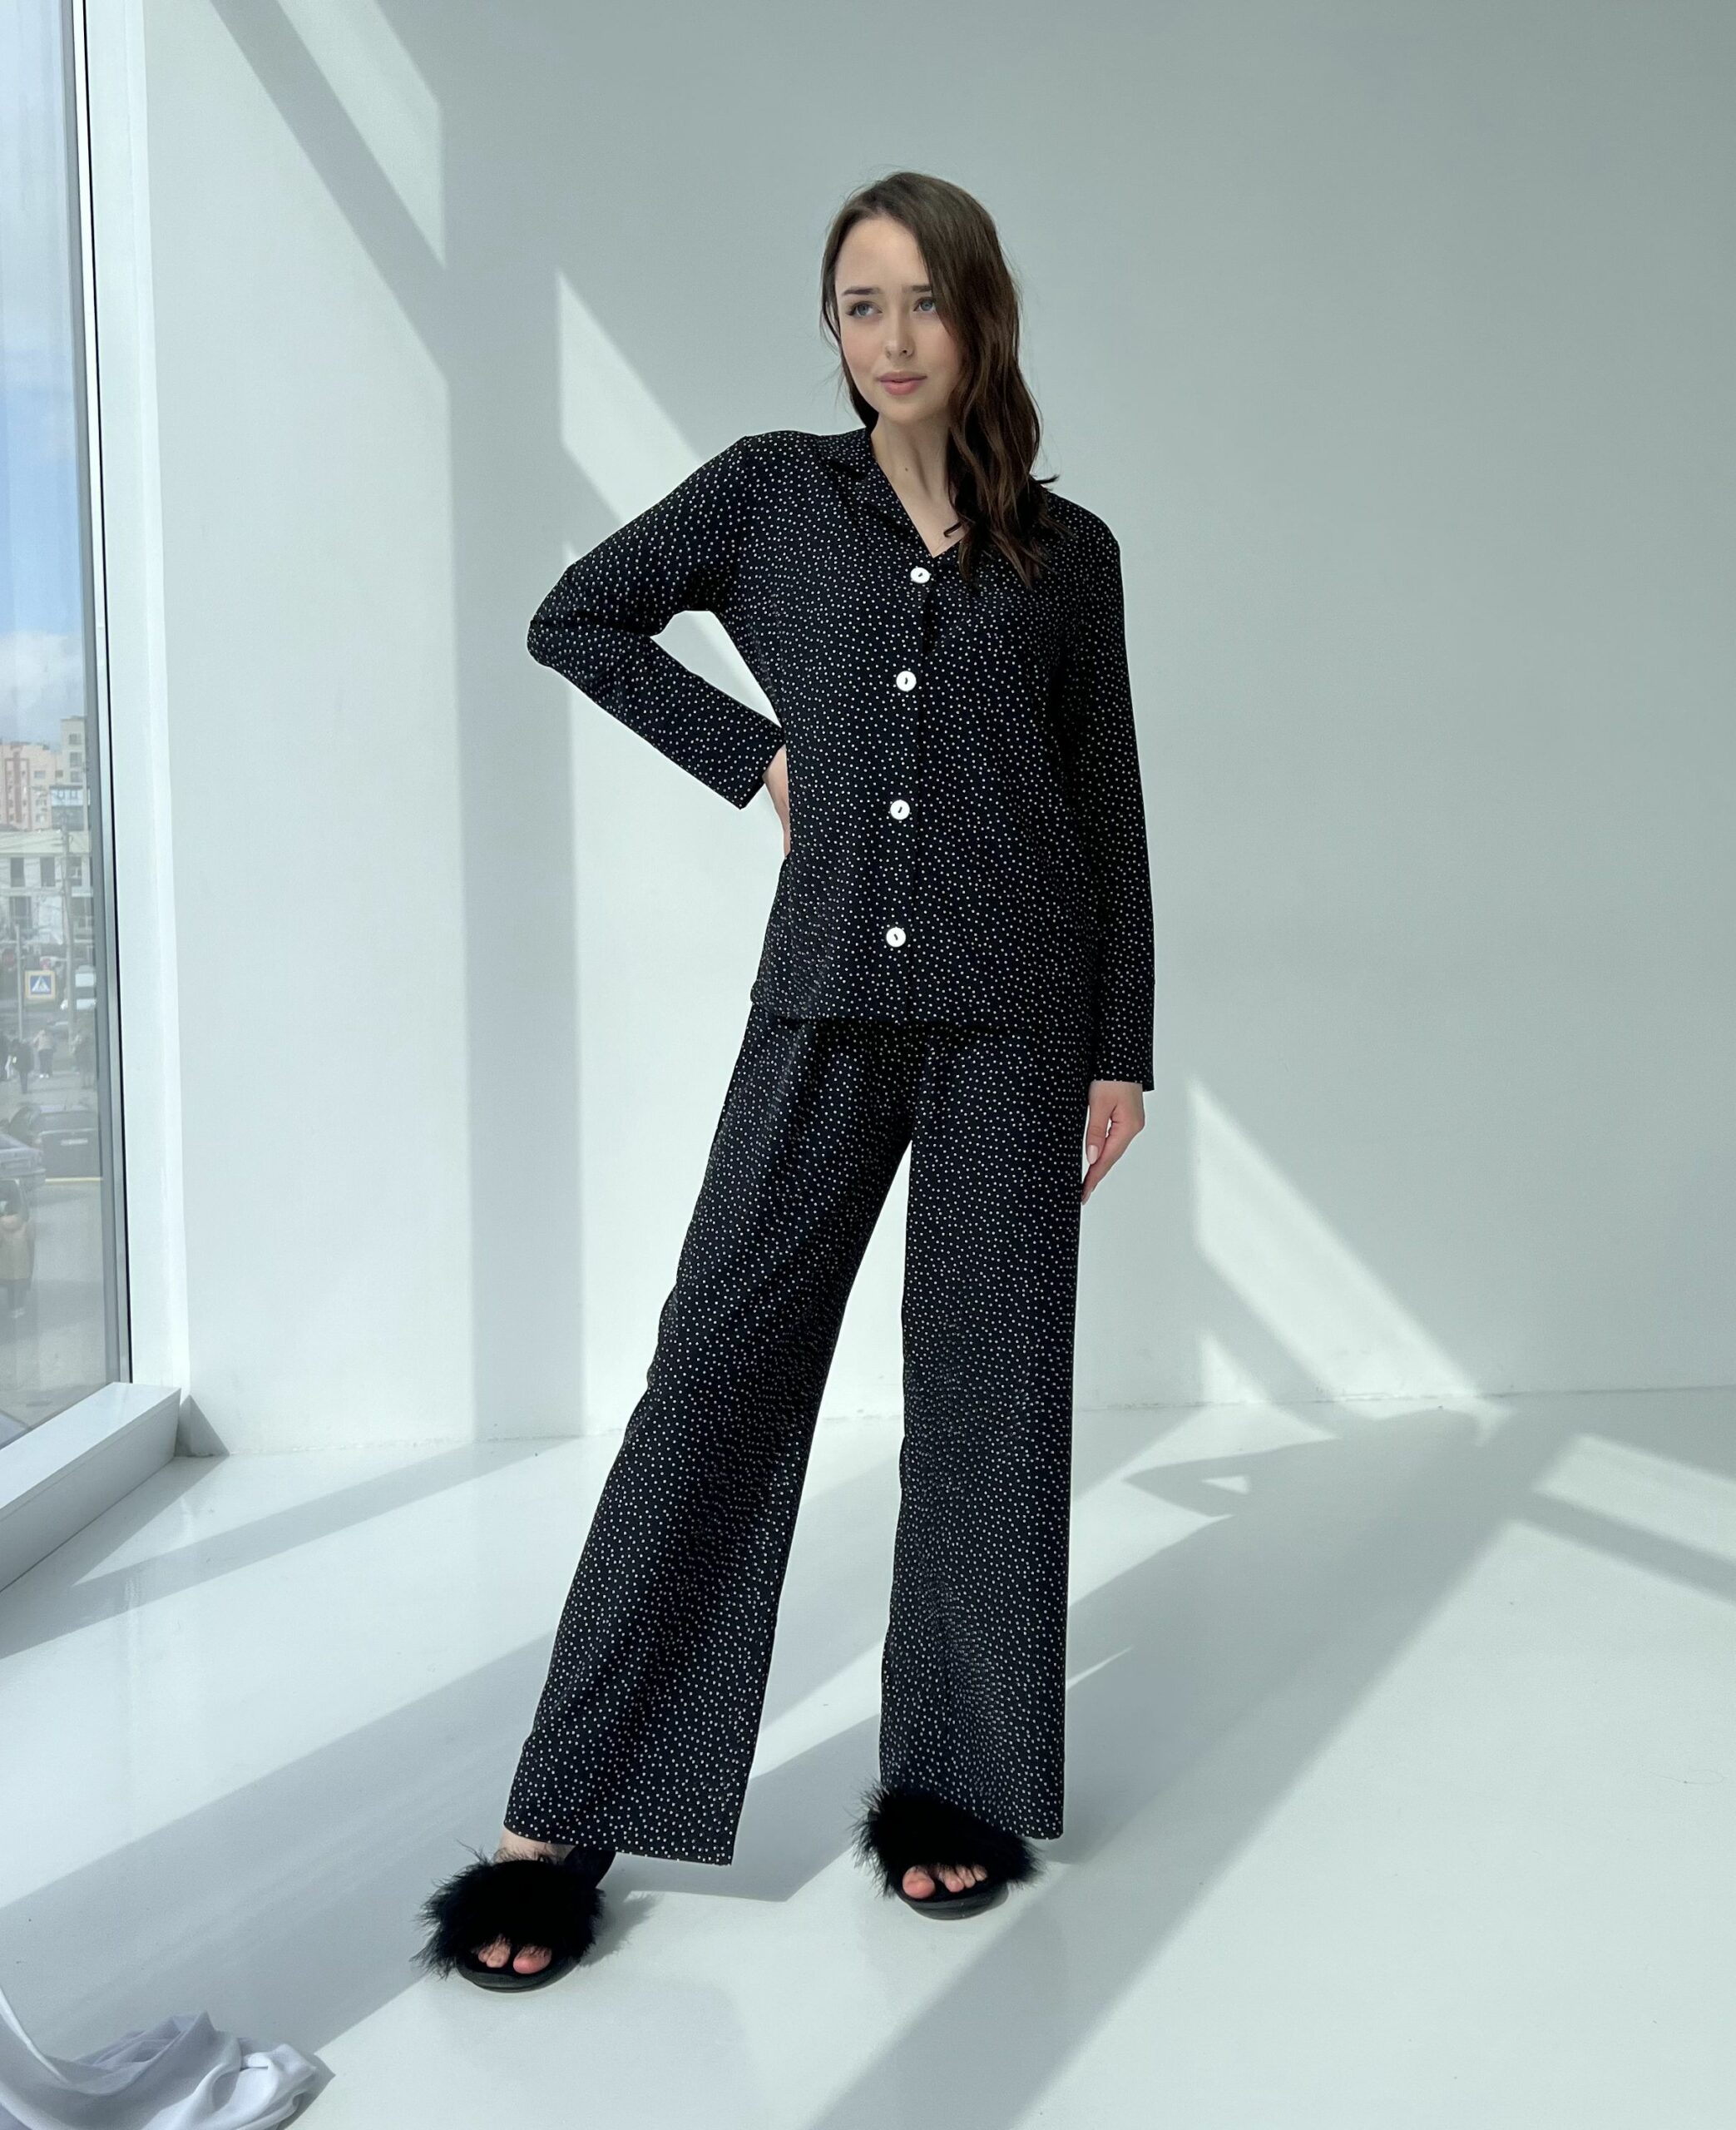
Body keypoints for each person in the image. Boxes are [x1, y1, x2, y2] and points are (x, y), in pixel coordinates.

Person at [416, 169, 1155, 1992]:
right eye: (858, 304)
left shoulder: (1070, 556)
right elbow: (578, 616)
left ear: (981, 316)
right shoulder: (767, 494)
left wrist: (1122, 1047)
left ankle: (954, 1782)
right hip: (823, 1000)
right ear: (831, 328)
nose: (891, 338)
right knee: (714, 1375)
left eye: (923, 301)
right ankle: (564, 1812)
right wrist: (755, 755)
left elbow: (1109, 810)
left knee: (988, 1405)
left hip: (1019, 1017)